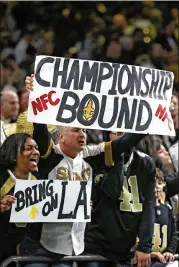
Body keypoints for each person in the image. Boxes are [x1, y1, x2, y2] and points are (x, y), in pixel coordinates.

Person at [19, 76, 148, 267]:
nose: (82, 134)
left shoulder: (91, 155)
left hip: (74, 247)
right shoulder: (49, 154)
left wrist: (150, 115)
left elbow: (126, 142)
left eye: (85, 131)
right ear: (61, 136)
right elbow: (40, 130)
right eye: (76, 130)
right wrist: (37, 94)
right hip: (39, 244)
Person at [84, 130, 156, 267]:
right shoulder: (95, 157)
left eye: (123, 132)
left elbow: (149, 205)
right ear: (106, 135)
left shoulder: (146, 163)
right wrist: (118, 157)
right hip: (96, 248)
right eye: (115, 133)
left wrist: (145, 245)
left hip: (126, 249)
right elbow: (112, 191)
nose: (121, 136)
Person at [0, 133, 40, 264]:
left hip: (28, 251)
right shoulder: (2, 178)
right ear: (13, 153)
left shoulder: (38, 181)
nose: (36, 152)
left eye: (36, 148)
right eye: (29, 149)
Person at [150, 168, 178, 267]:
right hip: (144, 259)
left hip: (162, 260)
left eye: (160, 183)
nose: (157, 187)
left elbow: (174, 234)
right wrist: (146, 252)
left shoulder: (168, 209)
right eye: (153, 183)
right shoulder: (141, 209)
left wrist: (170, 251)